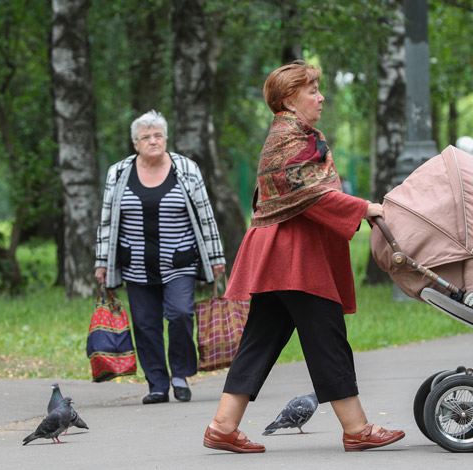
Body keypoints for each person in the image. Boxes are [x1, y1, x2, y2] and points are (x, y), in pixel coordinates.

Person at [202, 61, 405, 454]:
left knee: (260, 340)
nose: (320, 96)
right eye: (312, 90)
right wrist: (366, 208)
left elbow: (301, 193)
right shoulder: (289, 139)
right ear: (288, 101)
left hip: (283, 255)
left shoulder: (296, 135)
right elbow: (311, 195)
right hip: (293, 258)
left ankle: (223, 426)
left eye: (318, 88)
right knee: (326, 337)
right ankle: (356, 428)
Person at [94, 110, 226, 404]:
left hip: (179, 261)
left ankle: (180, 374)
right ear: (135, 143)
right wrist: (102, 262)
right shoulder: (118, 173)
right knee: (145, 324)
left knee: (180, 314)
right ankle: (157, 383)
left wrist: (216, 255)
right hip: (136, 264)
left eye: (158, 135)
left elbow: (206, 216)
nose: (153, 141)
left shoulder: (187, 169)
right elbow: (106, 221)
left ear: (165, 138)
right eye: (146, 137)